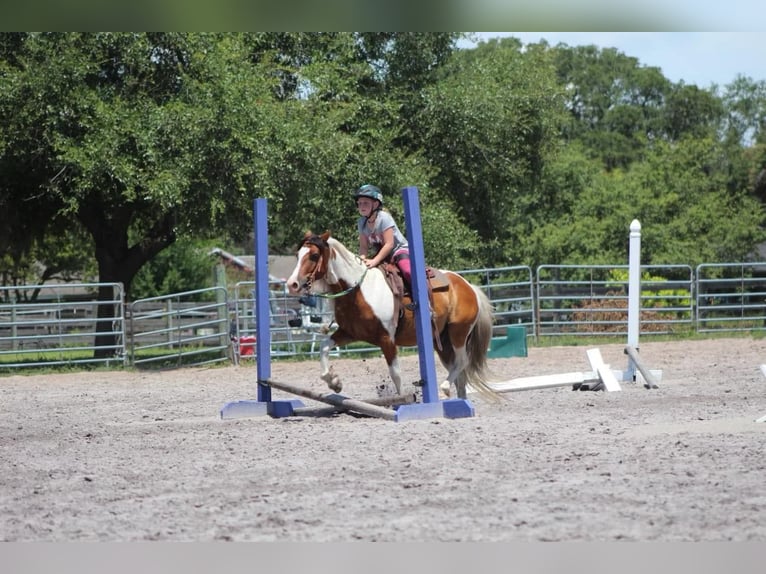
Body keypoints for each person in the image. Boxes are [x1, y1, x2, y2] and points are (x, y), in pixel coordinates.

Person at [353, 184, 412, 289]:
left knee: (407, 271)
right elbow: (363, 247)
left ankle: (426, 301)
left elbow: (389, 244)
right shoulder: (361, 222)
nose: (361, 206)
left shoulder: (384, 218)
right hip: (383, 254)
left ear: (375, 204)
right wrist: (361, 260)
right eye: (360, 203)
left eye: (365, 203)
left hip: (399, 250)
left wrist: (374, 261)